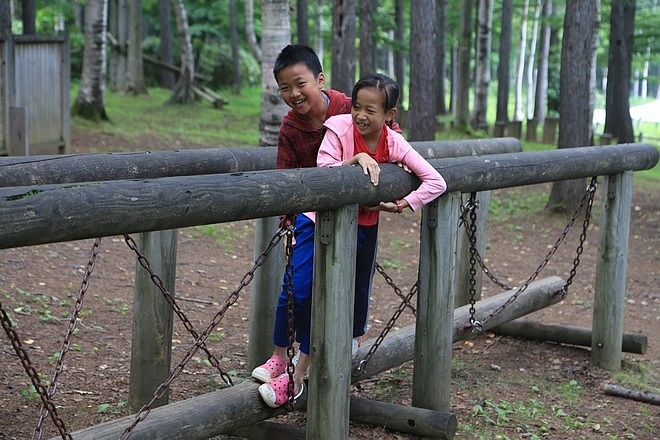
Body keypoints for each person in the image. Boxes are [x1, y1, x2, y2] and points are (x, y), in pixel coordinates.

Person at [251, 44, 361, 408]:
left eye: (300, 84)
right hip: (308, 219)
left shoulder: (349, 109)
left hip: (350, 219)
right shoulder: (290, 126)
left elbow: (389, 133)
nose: (293, 94)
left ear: (320, 79)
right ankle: (279, 355)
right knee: (295, 288)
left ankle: (302, 371)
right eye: (284, 88)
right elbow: (285, 176)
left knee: (334, 292)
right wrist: (288, 223)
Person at [315, 71, 447, 368]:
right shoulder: (339, 130)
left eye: (370, 110)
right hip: (328, 224)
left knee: (360, 283)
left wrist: (401, 204)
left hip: (366, 224)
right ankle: (311, 348)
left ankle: (350, 343)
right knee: (320, 283)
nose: (360, 115)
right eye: (356, 107)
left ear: (390, 114)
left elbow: (436, 182)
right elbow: (322, 170)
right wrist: (353, 161)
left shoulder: (394, 143)